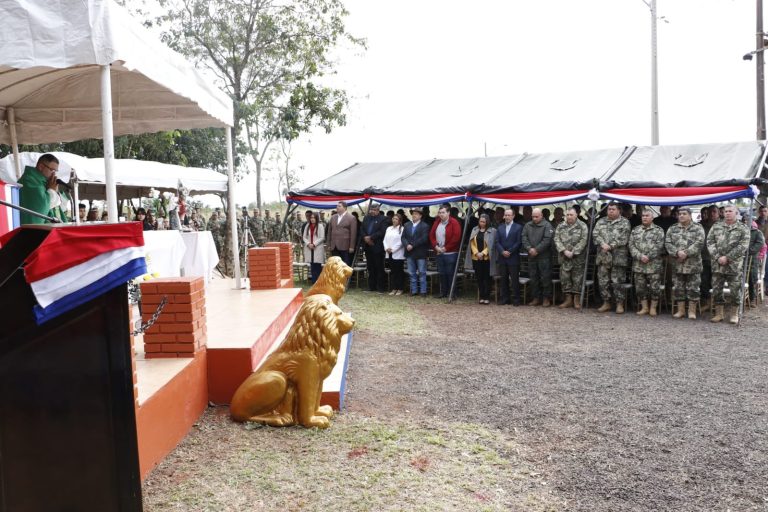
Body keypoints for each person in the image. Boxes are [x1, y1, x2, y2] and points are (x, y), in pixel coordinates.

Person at [707, 205, 750, 324]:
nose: (727, 213)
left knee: (735, 290)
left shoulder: (743, 228)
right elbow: (710, 242)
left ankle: (734, 314)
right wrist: (717, 257)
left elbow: (743, 245)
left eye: (730, 211)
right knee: (716, 290)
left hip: (734, 265)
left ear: (736, 213)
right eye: (725, 211)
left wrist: (728, 257)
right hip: (718, 264)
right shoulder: (716, 226)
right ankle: (719, 314)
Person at [665, 207, 706, 319]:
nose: (681, 216)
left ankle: (692, 311)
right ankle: (681, 310)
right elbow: (667, 243)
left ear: (690, 215)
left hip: (693, 264)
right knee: (678, 288)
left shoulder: (698, 228)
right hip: (677, 263)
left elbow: (700, 243)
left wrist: (686, 253)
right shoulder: (672, 228)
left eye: (684, 214)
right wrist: (677, 252)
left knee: (693, 288)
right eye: (680, 214)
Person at [593, 202, 631, 314]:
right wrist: (602, 244)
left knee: (618, 281)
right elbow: (595, 234)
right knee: (603, 281)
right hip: (603, 256)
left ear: (619, 211)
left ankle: (619, 304)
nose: (610, 211)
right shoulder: (601, 221)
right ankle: (606, 302)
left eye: (613, 209)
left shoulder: (625, 222)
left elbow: (624, 238)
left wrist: (610, 246)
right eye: (609, 209)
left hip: (618, 257)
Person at [628, 208, 665, 316]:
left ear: (652, 217)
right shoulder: (635, 230)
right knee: (640, 287)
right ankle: (644, 307)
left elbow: (659, 246)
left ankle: (653, 307)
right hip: (639, 264)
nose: (644, 217)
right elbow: (631, 245)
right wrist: (640, 256)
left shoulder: (658, 230)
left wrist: (648, 256)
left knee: (655, 288)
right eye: (643, 216)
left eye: (647, 216)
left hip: (653, 265)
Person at [554, 207, 588, 309]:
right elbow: (556, 239)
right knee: (565, 279)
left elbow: (584, 240)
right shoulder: (560, 226)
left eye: (571, 215)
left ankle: (576, 300)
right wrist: (564, 251)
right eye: (567, 215)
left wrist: (573, 252)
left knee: (577, 279)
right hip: (564, 257)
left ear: (576, 215)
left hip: (577, 258)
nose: (569, 217)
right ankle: (568, 299)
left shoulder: (582, 226)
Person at [522, 207, 554, 306]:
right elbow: (524, 237)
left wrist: (537, 250)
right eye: (533, 217)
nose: (534, 219)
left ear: (541, 216)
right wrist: (529, 248)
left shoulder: (547, 225)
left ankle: (546, 298)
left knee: (545, 278)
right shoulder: (528, 225)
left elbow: (547, 240)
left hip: (544, 257)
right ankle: (536, 298)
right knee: (533, 278)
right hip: (531, 256)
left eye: (536, 217)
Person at [18, 154, 63, 224]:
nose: (54, 175)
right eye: (52, 170)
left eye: (55, 171)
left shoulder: (43, 182)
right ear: (41, 167)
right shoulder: (29, 180)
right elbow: (41, 207)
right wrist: (52, 191)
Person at [429, 205, 462, 299]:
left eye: (443, 212)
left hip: (450, 253)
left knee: (450, 273)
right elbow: (431, 235)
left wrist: (445, 248)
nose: (441, 214)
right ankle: (443, 292)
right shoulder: (437, 222)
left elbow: (456, 238)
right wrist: (435, 246)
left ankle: (452, 293)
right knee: (442, 273)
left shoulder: (454, 222)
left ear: (448, 213)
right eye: (440, 213)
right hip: (439, 252)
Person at [465, 213, 497, 304]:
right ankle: (482, 296)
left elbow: (492, 245)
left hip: (487, 258)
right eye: (480, 221)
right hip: (476, 258)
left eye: (484, 222)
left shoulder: (493, 231)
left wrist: (483, 253)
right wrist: (476, 253)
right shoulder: (475, 229)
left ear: (487, 222)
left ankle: (487, 297)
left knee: (487, 278)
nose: (482, 223)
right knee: (479, 278)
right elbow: (471, 243)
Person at [495, 208, 523, 305]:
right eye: (505, 215)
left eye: (508, 215)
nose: (507, 217)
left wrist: (509, 251)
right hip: (502, 258)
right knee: (503, 280)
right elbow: (497, 242)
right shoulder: (500, 227)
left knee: (514, 280)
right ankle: (504, 299)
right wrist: (502, 251)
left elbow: (519, 242)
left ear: (513, 216)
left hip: (513, 257)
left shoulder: (518, 227)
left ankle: (516, 300)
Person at [401, 208, 430, 297]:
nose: (414, 215)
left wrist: (412, 245)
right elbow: (403, 238)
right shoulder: (406, 225)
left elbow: (424, 238)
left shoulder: (425, 226)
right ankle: (413, 291)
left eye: (416, 214)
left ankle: (423, 291)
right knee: (411, 272)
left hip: (420, 252)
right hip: (409, 253)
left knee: (422, 272)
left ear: (420, 216)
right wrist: (407, 245)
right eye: (413, 214)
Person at [361, 203, 389, 293]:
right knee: (370, 267)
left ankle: (380, 287)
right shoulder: (366, 218)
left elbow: (382, 231)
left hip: (377, 246)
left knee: (379, 267)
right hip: (368, 246)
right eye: (371, 210)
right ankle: (371, 286)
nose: (372, 211)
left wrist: (371, 237)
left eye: (374, 210)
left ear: (378, 210)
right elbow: (362, 229)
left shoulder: (383, 219)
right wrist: (365, 237)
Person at [326, 201, 358, 267]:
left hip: (345, 246)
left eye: (339, 206)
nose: (337, 207)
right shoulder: (333, 217)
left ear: (345, 208)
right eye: (337, 206)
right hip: (334, 246)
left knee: (344, 266)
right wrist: (328, 244)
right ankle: (336, 278)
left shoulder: (351, 218)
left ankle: (346, 278)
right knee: (335, 266)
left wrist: (352, 247)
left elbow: (353, 234)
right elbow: (329, 232)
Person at [383, 213, 406, 295]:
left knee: (399, 272)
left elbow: (401, 242)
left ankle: (400, 288)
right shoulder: (389, 228)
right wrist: (386, 248)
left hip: (398, 254)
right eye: (393, 218)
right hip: (389, 253)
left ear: (400, 221)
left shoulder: (402, 229)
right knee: (392, 271)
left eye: (396, 219)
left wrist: (393, 249)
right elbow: (385, 240)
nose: (394, 220)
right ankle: (394, 288)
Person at [302, 212, 326, 283]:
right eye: (311, 218)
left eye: (314, 218)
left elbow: (322, 237)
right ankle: (313, 281)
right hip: (309, 248)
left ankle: (318, 282)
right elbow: (304, 237)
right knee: (312, 265)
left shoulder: (320, 226)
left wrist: (314, 244)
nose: (312, 219)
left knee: (317, 266)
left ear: (317, 218)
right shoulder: (307, 226)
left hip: (317, 248)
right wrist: (308, 243)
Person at [747, 218, 766, 307]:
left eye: (747, 220)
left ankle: (753, 298)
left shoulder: (757, 232)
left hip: (752, 259)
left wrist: (749, 251)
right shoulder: (742, 231)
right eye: (744, 220)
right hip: (741, 258)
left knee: (752, 277)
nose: (745, 222)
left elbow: (760, 243)